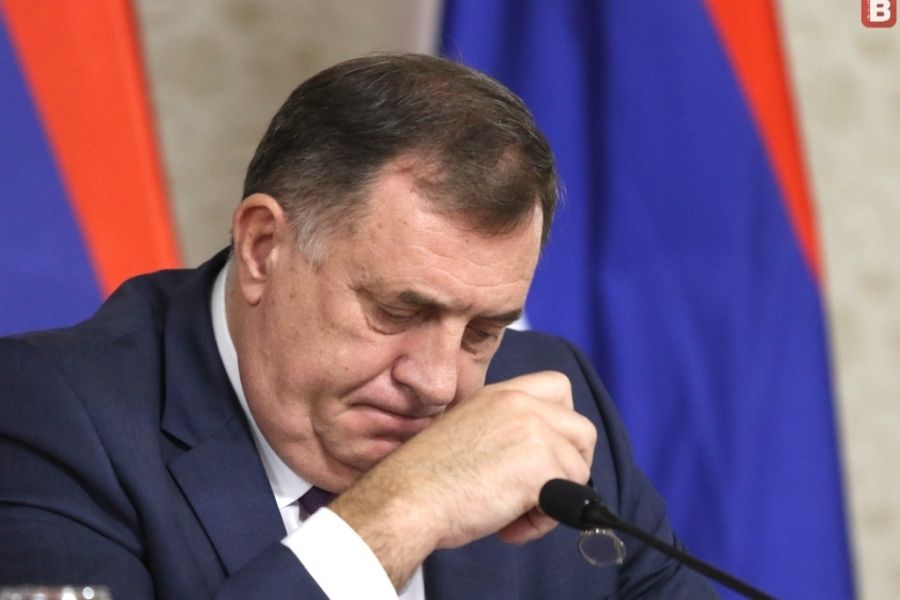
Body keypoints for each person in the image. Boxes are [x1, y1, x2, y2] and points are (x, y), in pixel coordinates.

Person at [0, 53, 715, 598]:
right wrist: (408, 505)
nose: (438, 384)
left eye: (481, 332)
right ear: (262, 248)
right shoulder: (47, 417)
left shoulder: (545, 402)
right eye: (398, 312)